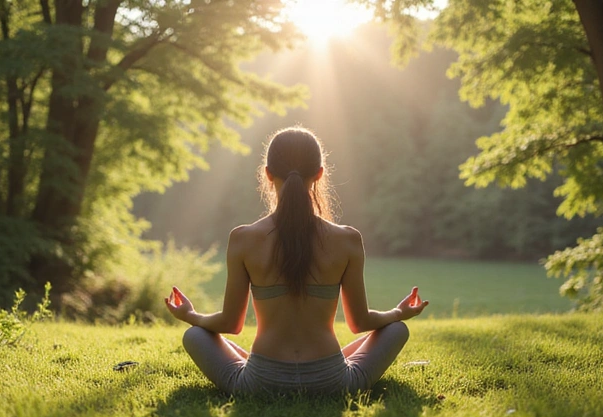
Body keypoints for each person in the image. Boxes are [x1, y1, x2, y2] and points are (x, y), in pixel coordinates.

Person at [165, 126, 429, 395]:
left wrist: (190, 315)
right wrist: (399, 313)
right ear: (319, 174)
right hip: (334, 383)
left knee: (195, 334)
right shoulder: (347, 239)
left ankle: (257, 367)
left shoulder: (243, 239)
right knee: (397, 330)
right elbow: (359, 323)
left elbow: (230, 324)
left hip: (259, 384)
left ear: (267, 174)